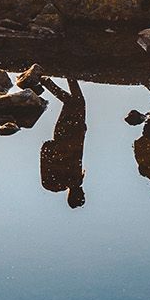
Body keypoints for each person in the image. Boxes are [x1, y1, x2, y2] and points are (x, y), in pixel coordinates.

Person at [37, 75, 87, 208]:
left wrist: (80, 132)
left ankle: (69, 75)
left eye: (81, 195)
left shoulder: (71, 180)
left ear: (75, 195)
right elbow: (77, 152)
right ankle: (53, 79)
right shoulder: (72, 180)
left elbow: (74, 152)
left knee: (77, 102)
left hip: (68, 134)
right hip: (70, 133)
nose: (83, 192)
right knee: (72, 101)